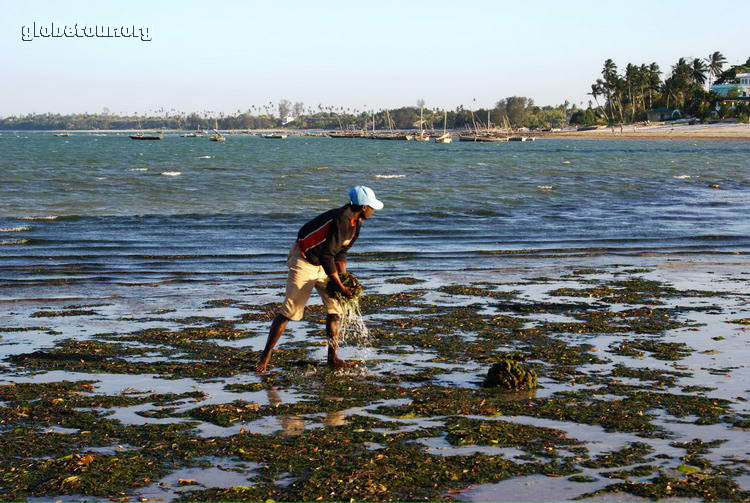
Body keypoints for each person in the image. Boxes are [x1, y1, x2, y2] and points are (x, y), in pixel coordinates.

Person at [255, 186, 384, 373]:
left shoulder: (356, 224)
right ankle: (264, 358)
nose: (373, 211)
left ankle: (333, 358)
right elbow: (327, 255)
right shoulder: (341, 220)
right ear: (364, 207)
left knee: (336, 310)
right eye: (372, 207)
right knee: (290, 311)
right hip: (304, 260)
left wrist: (344, 278)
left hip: (325, 263)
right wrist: (339, 285)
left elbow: (341, 253)